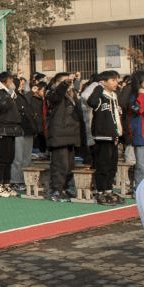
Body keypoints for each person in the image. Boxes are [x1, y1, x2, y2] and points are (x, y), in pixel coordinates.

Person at [87, 70, 123, 205]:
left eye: (116, 80)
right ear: (104, 82)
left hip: (114, 136)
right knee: (103, 165)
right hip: (102, 136)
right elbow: (91, 102)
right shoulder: (100, 95)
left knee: (112, 165)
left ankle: (109, 189)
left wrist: (119, 132)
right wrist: (99, 86)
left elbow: (117, 116)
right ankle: (101, 191)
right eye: (113, 80)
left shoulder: (114, 96)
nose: (116, 83)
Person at [45, 73, 83, 202]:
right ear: (57, 82)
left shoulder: (72, 94)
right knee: (59, 165)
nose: (68, 83)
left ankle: (66, 188)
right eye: (65, 81)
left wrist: (76, 81)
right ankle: (56, 190)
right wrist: (65, 83)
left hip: (71, 133)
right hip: (59, 134)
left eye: (69, 81)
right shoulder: (51, 93)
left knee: (69, 165)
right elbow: (56, 96)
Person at [0, 72, 23, 197]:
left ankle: (6, 183)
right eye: (10, 80)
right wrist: (9, 98)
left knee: (10, 158)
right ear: (5, 81)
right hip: (2, 129)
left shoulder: (8, 94)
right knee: (2, 158)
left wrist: (11, 95)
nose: (12, 83)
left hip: (11, 129)